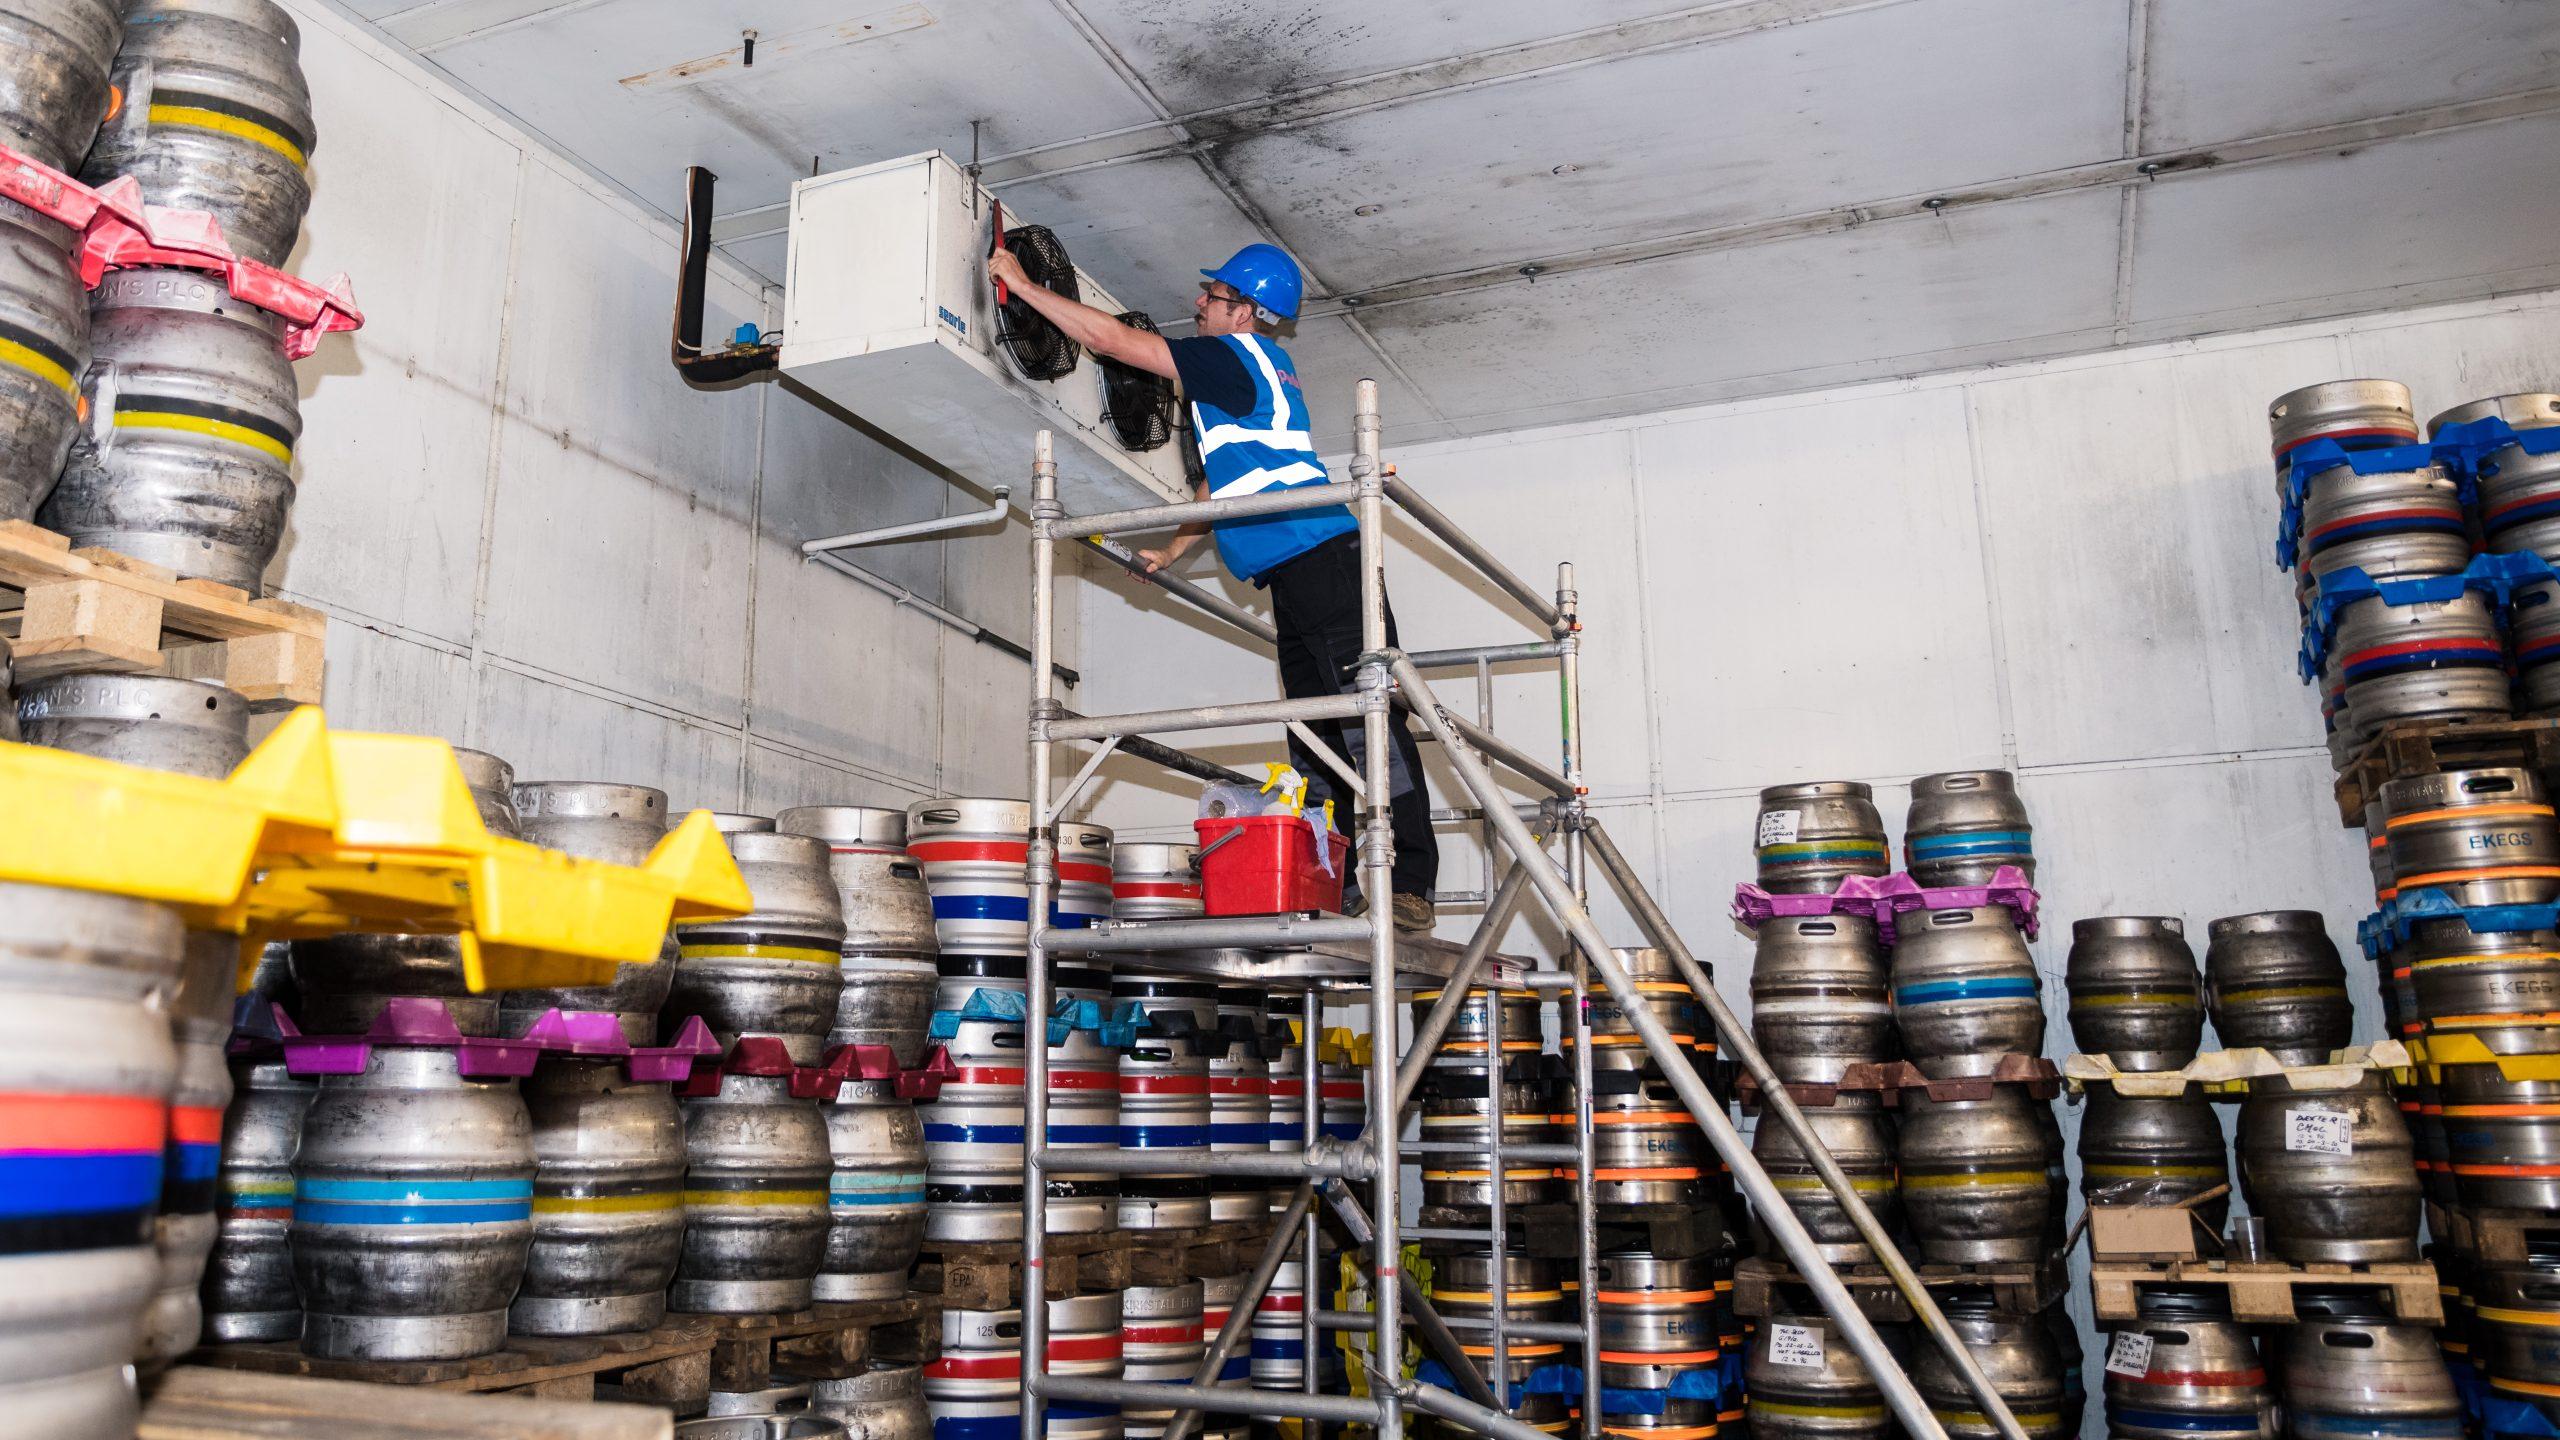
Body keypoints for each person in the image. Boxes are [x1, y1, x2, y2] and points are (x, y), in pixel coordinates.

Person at [986, 240, 1439, 932]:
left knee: (1369, 722)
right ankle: (1331, 876)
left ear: (1247, 314)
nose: (1200, 303)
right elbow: (1225, 475)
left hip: (1327, 561)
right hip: (1299, 571)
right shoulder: (1255, 371)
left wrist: (1021, 283)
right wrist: (1176, 544)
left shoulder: (1233, 356)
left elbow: (1110, 340)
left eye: (1215, 296)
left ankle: (1409, 883)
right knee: (1314, 736)